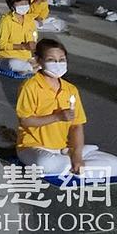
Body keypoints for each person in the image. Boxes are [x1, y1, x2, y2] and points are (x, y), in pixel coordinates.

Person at [14, 39, 117, 177]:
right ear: (38, 60)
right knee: (46, 164)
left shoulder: (70, 89)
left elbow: (77, 126)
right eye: (51, 60)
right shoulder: (30, 87)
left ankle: (74, 159)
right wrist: (57, 117)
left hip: (62, 147)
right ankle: (76, 164)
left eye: (62, 60)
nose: (58, 64)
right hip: (32, 147)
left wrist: (77, 156)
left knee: (114, 164)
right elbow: (25, 121)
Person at [0, 0, 38, 74]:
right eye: (21, 4)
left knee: (48, 59)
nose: (24, 6)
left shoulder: (30, 20)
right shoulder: (5, 21)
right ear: (12, 6)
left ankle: (28, 68)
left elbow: (33, 40)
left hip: (26, 58)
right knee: (13, 63)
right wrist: (23, 46)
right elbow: (1, 44)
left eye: (26, 3)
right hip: (6, 58)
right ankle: (30, 68)